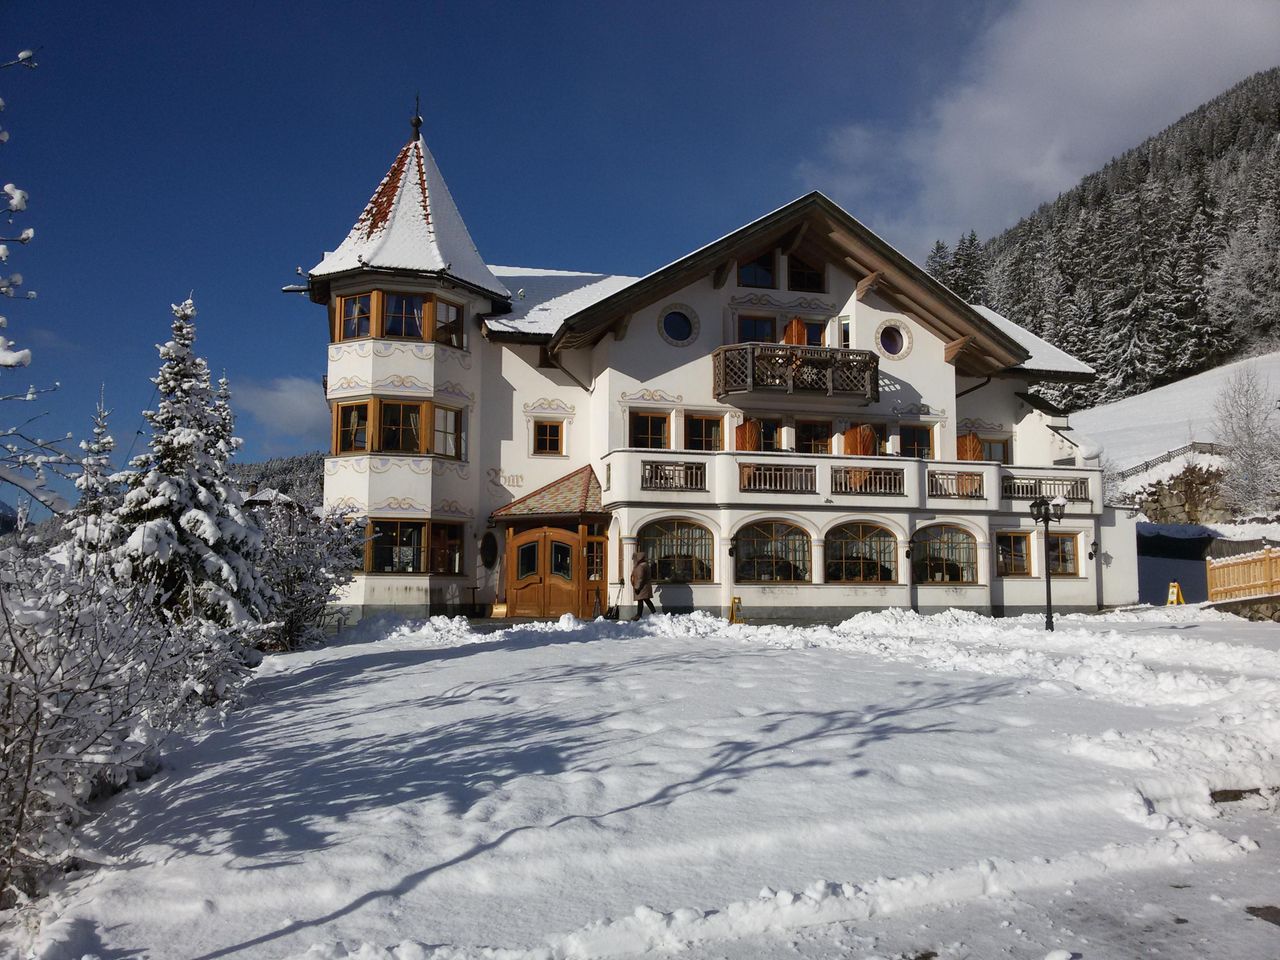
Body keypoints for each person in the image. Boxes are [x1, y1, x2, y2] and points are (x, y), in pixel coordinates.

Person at [630, 550, 656, 620]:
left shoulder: (641, 566)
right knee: (645, 600)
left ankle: (639, 615)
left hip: (642, 587)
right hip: (645, 587)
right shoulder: (645, 565)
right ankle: (653, 613)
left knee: (642, 600)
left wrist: (637, 588)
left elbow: (640, 578)